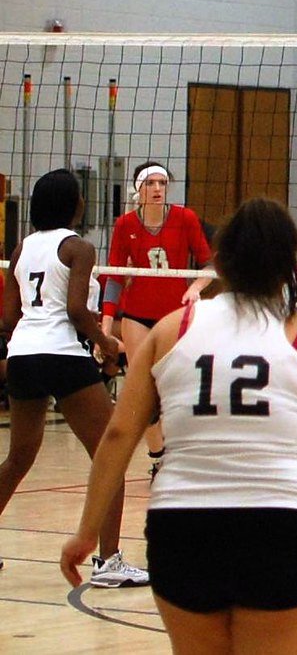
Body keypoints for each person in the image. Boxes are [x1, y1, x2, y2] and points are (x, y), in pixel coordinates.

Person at [61, 198, 297, 654]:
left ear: (221, 260)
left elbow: (118, 436)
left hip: (183, 528)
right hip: (281, 526)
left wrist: (86, 532)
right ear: (289, 266)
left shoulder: (172, 329)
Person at [0, 169, 148, 586]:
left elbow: (9, 317)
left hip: (23, 354)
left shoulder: (22, 248)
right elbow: (76, 310)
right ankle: (109, 562)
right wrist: (106, 342)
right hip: (62, 354)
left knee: (18, 458)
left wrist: (28, 342)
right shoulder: (78, 247)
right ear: (74, 204)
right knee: (109, 454)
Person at [101, 162, 213, 479]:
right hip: (136, 316)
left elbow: (209, 264)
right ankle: (159, 458)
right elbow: (114, 277)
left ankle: (183, 451)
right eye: (150, 183)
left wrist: (195, 287)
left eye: (162, 183)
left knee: (178, 386)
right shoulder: (125, 224)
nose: (157, 189)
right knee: (145, 390)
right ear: (139, 189)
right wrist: (106, 328)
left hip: (175, 316)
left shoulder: (185, 218)